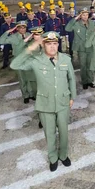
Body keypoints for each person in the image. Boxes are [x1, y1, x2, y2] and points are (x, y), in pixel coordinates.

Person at [9, 31, 76, 172]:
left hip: (63, 101)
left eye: (55, 43)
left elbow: (71, 79)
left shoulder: (66, 59)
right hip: (45, 104)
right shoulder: (36, 60)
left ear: (58, 44)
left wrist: (72, 97)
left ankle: (63, 155)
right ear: (43, 45)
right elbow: (15, 65)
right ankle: (52, 157)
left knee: (64, 132)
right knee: (49, 133)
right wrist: (30, 48)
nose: (52, 47)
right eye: (49, 44)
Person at [65, 7, 95, 89]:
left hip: (90, 47)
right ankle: (84, 82)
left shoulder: (92, 23)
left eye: (86, 15)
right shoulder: (76, 24)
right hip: (81, 48)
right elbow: (67, 28)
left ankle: (90, 81)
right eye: (83, 15)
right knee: (83, 65)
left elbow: (94, 34)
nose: (85, 17)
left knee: (90, 65)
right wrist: (75, 18)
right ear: (80, 16)